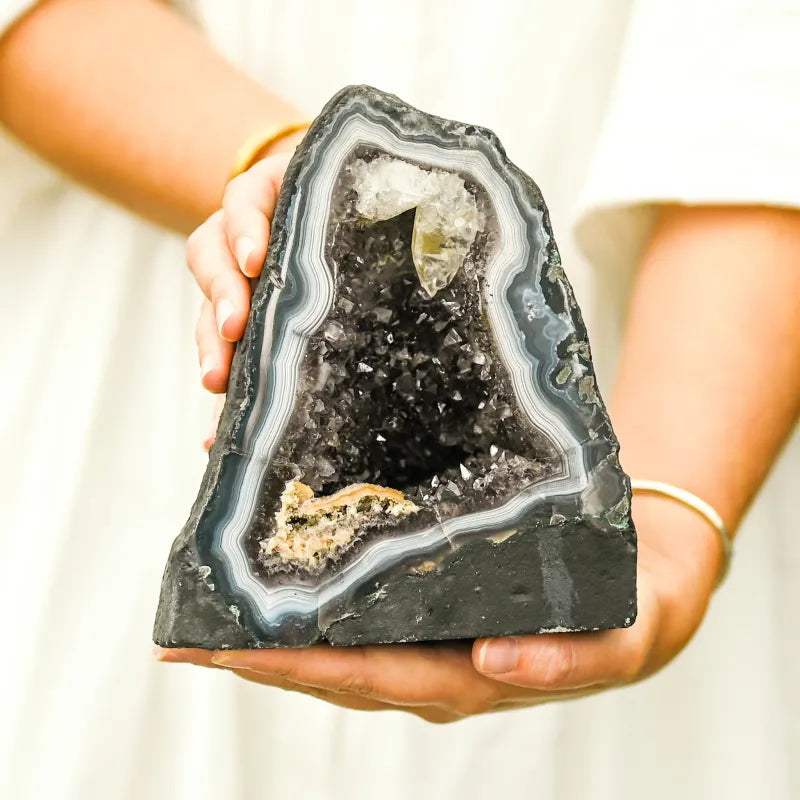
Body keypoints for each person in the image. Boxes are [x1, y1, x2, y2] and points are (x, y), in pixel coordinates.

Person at [1, 1, 798, 798]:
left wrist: (677, 508)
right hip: (136, 338)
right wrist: (303, 186)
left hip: (694, 377)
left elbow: (762, 88)